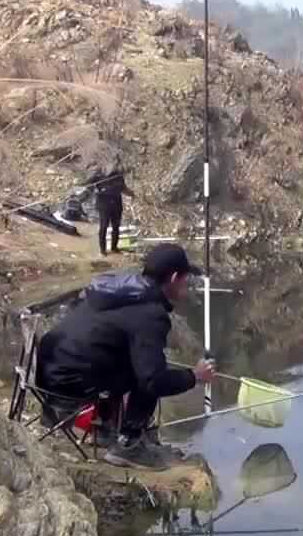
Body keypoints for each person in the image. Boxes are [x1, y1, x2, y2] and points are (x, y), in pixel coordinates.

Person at [35, 243, 215, 471]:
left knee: (131, 360)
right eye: (185, 279)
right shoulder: (151, 314)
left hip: (47, 376)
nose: (187, 286)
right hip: (70, 386)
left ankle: (103, 430)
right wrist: (194, 376)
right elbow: (153, 381)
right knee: (153, 375)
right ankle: (129, 446)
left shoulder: (118, 292)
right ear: (174, 277)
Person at [85, 165, 134, 256]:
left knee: (116, 227)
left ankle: (114, 248)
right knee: (104, 227)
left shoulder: (118, 176)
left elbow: (123, 188)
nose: (112, 168)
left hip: (116, 205)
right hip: (104, 205)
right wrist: (93, 186)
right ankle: (102, 250)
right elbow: (88, 185)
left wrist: (132, 194)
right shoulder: (98, 176)